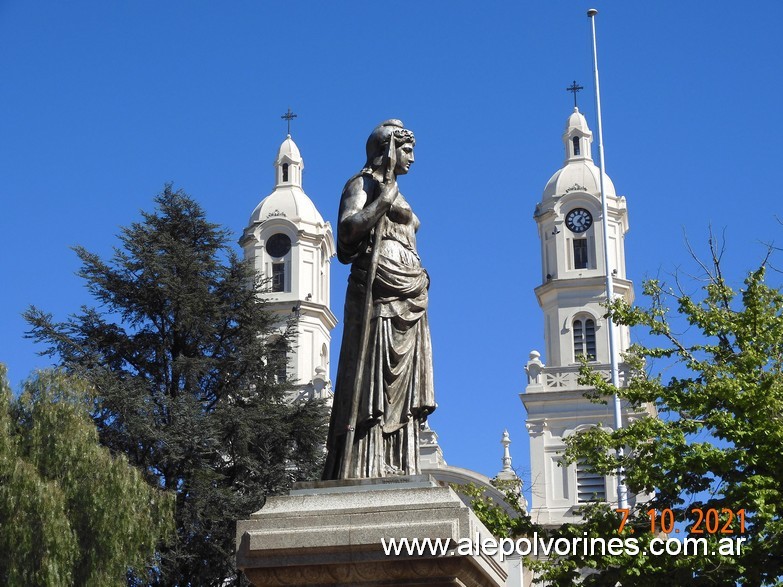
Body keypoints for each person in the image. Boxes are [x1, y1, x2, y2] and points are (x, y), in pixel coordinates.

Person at [322, 119, 435, 480]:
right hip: (379, 293)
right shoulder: (363, 184)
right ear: (388, 150)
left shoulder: (399, 191)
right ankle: (366, 462)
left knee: (401, 383)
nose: (413, 159)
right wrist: (382, 200)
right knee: (375, 375)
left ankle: (396, 460)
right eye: (407, 150)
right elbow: (347, 234)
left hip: (410, 294)